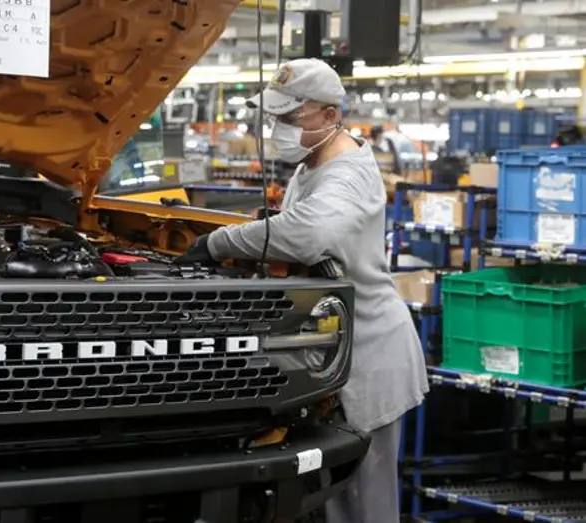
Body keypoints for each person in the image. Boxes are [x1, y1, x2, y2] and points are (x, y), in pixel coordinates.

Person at [177, 58, 428, 523]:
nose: (280, 128)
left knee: (364, 506)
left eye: (292, 118)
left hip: (367, 360)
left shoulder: (346, 173)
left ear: (330, 116)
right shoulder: (314, 161)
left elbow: (308, 233)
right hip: (330, 353)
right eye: (275, 118)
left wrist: (218, 243)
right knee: (326, 503)